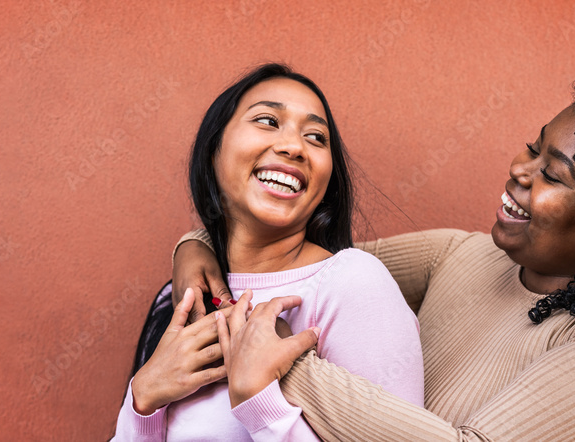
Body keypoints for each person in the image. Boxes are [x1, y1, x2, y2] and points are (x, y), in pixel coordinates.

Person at [173, 48, 575, 440]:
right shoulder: (465, 256)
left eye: (550, 173)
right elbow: (297, 260)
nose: (518, 169)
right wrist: (197, 245)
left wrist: (286, 370)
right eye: (532, 146)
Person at [112, 64, 424, 441]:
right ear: (214, 150)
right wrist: (142, 402)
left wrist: (260, 401)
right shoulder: (179, 296)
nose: (294, 146)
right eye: (267, 120)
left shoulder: (352, 285)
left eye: (315, 137)